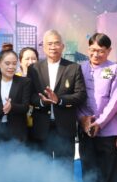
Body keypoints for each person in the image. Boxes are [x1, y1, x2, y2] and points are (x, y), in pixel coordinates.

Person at [28, 29, 87, 171]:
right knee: (42, 169)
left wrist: (59, 100)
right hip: (41, 127)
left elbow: (81, 95)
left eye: (56, 43)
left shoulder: (73, 67)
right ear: (43, 47)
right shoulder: (34, 68)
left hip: (65, 128)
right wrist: (42, 102)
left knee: (65, 169)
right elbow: (30, 95)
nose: (53, 47)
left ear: (63, 46)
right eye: (49, 44)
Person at [77, 33, 117, 182]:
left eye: (101, 51)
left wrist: (100, 122)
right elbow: (76, 98)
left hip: (108, 130)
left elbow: (116, 99)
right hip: (86, 130)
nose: (96, 54)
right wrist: (83, 119)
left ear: (109, 51)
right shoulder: (79, 68)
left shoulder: (115, 69)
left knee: (108, 173)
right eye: (93, 50)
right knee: (89, 173)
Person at [0, 50, 32, 146]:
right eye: (7, 63)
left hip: (17, 131)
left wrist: (12, 106)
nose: (11, 67)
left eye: (14, 64)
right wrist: (4, 109)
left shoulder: (24, 82)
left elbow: (25, 107)